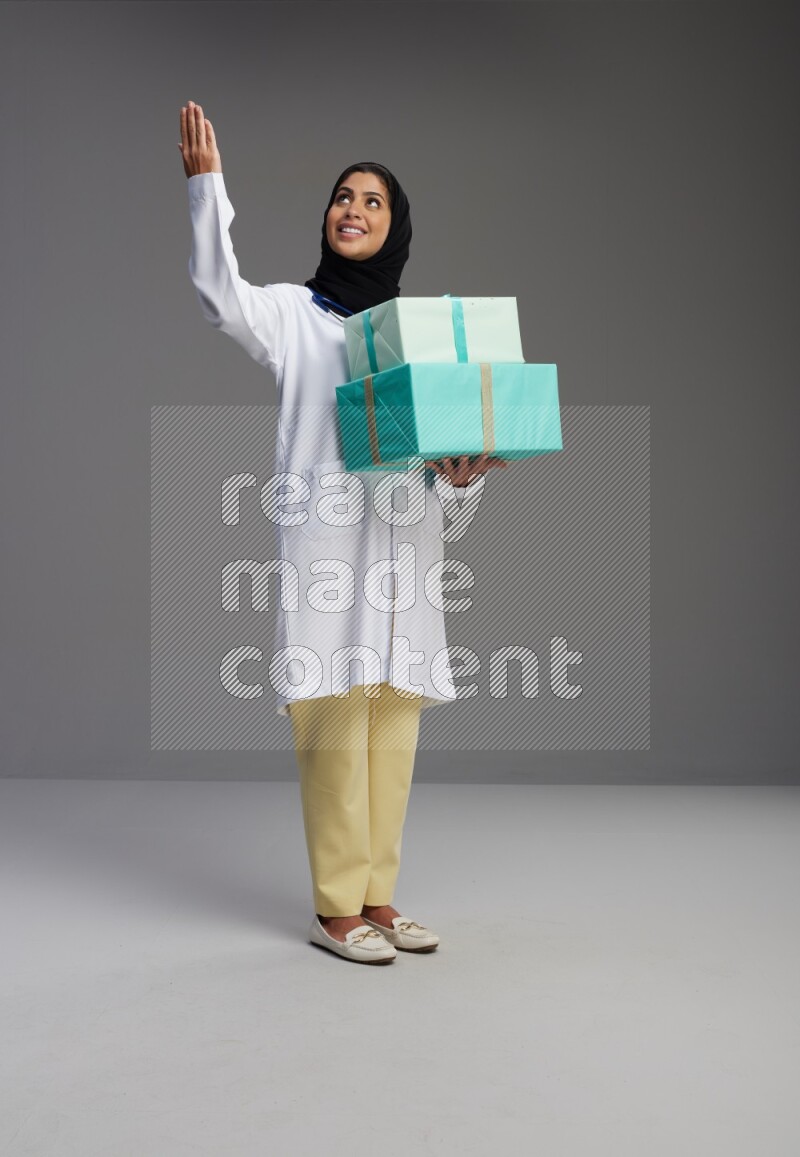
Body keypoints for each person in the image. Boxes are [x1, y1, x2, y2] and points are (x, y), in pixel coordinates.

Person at [179, 100, 507, 964]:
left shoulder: (419, 344)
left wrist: (461, 481)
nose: (352, 209)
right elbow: (220, 297)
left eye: (373, 201)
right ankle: (335, 908)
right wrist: (207, 190)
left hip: (405, 557)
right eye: (342, 197)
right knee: (331, 726)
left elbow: (439, 483)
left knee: (392, 732)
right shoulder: (294, 317)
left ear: (396, 230)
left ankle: (378, 896)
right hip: (330, 558)